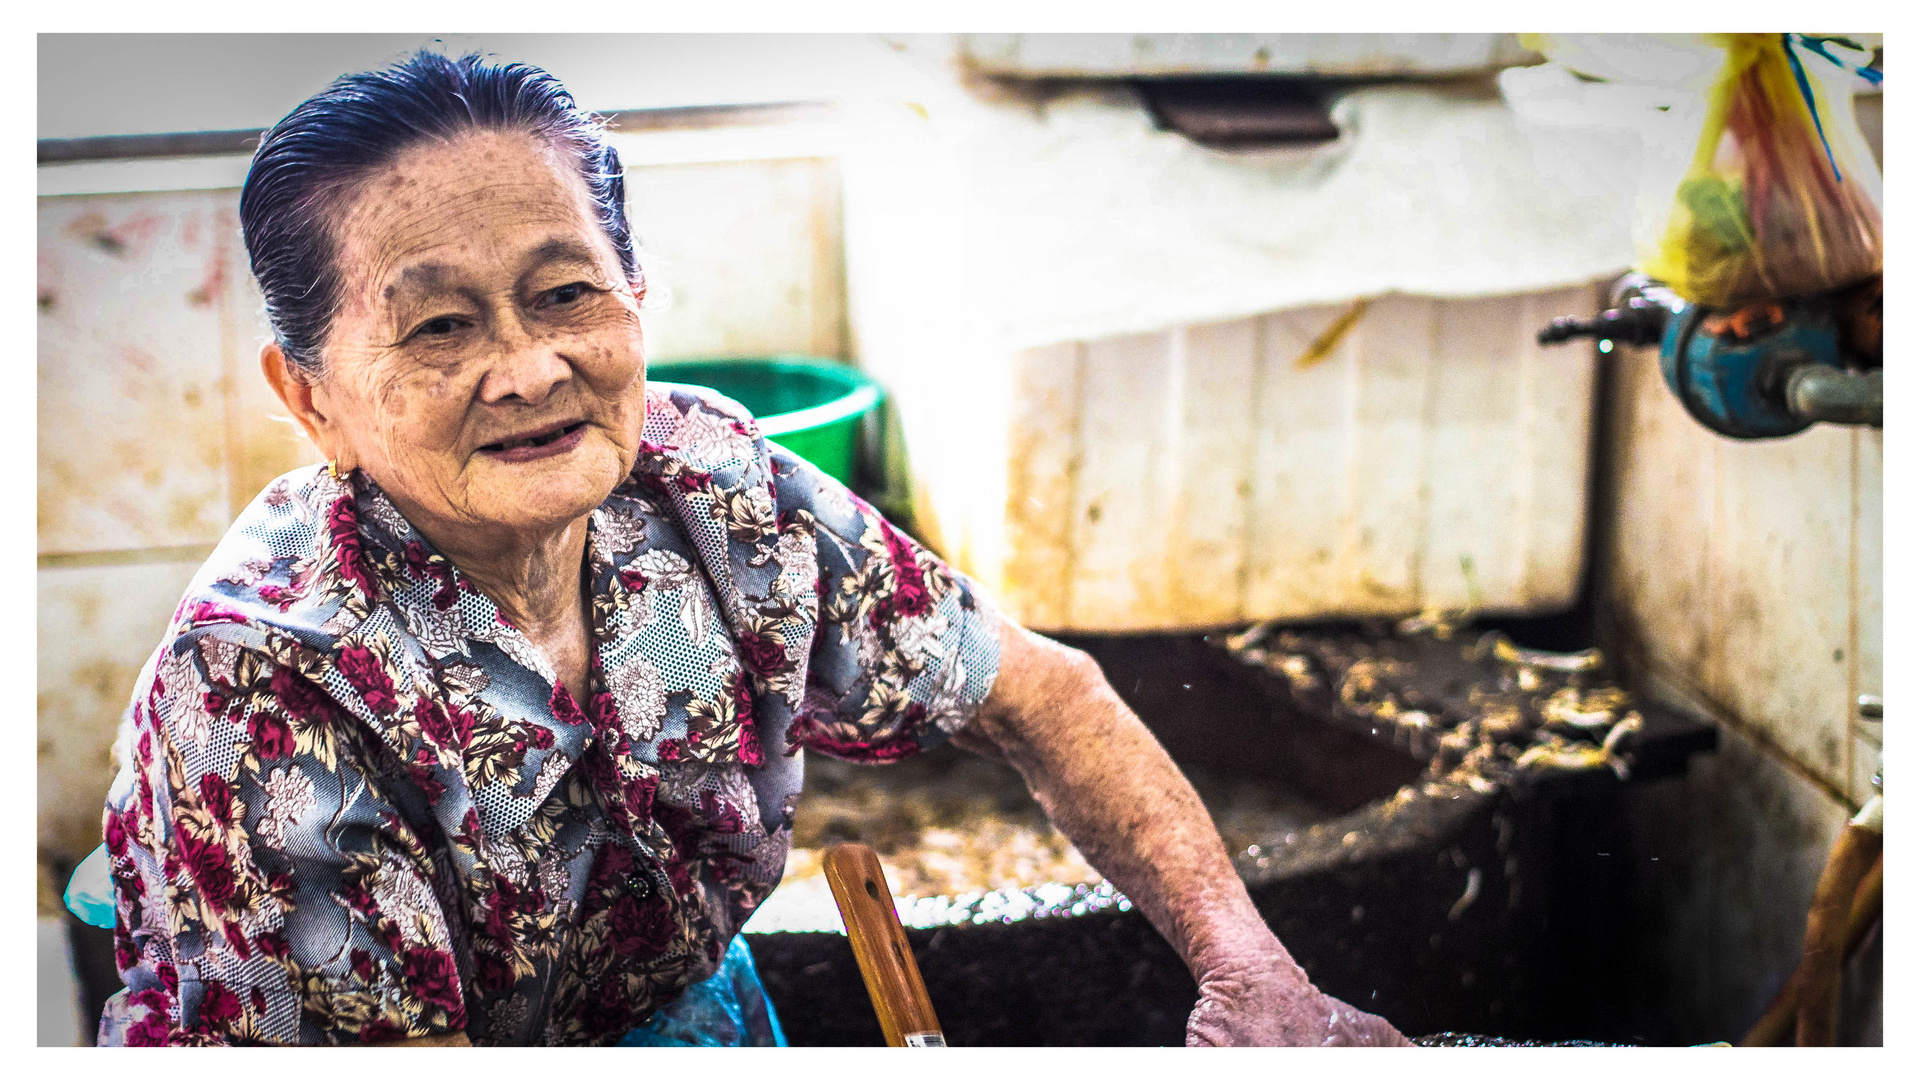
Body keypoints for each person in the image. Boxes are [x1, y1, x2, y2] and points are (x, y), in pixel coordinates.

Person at [96, 50, 1410, 1048]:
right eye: (438, 327)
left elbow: (1044, 697)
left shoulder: (706, 484)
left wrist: (1260, 981)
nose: (531, 367)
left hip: (692, 1005)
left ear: (637, 296)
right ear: (309, 391)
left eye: (566, 292)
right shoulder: (269, 694)